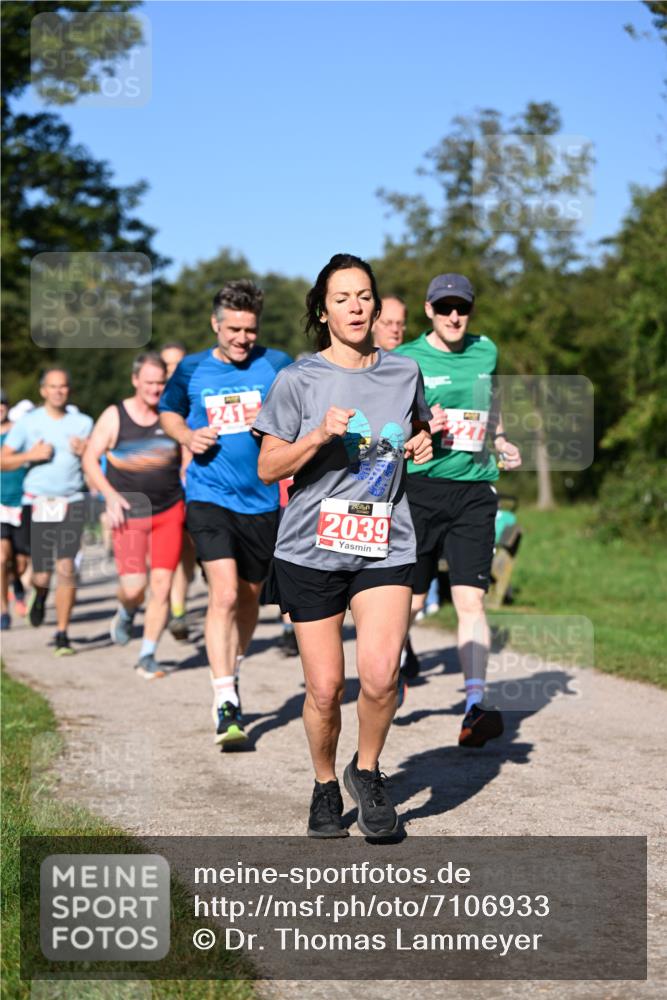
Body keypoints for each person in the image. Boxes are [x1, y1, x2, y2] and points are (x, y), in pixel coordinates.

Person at [254, 253, 432, 840]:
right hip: (310, 547)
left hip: (385, 540)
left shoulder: (405, 373)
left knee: (380, 677)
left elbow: (419, 429)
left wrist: (426, 444)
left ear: (376, 305)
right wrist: (318, 434)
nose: (355, 308)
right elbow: (267, 467)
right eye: (342, 299)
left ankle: (368, 772)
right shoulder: (297, 380)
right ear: (323, 310)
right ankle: (326, 784)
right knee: (326, 688)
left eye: (364, 297)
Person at [158, 279, 292, 744]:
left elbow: (304, 407)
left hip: (262, 502)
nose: (241, 338)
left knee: (251, 596)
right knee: (225, 595)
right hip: (208, 496)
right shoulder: (192, 369)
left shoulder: (276, 364)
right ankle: (225, 699)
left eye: (249, 330)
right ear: (215, 324)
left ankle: (230, 671)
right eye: (233, 329)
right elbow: (168, 411)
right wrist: (186, 437)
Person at [395, 273, 521, 747]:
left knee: (471, 601)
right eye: (444, 307)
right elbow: (389, 427)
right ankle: (392, 669)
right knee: (407, 602)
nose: (454, 316)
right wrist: (422, 423)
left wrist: (503, 440)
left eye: (461, 308)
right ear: (428, 310)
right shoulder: (406, 358)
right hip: (421, 490)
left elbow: (491, 404)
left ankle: (474, 706)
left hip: (473, 490)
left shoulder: (486, 350)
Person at [82, 353, 185, 679]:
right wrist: (109, 496)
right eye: (150, 383)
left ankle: (148, 653)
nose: (156, 389)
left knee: (162, 584)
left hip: (169, 511)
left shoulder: (171, 415)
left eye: (161, 383)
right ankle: (126, 611)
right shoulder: (115, 416)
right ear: (136, 381)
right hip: (129, 512)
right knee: (134, 587)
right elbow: (89, 458)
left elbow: (187, 454)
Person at [0, 368, 93, 655]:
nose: (58, 391)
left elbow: (98, 458)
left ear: (69, 390)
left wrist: (87, 450)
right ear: (43, 391)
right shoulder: (28, 423)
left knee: (67, 568)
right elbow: (3, 460)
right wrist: (32, 455)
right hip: (39, 501)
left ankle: (62, 634)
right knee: (40, 572)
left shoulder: (84, 422)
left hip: (73, 499)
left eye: (63, 386)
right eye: (52, 386)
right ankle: (39, 596)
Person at [159, 341, 195, 641]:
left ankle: (181, 609)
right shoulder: (152, 401)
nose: (173, 371)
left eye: (178, 365)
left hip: (196, 483)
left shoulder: (196, 394)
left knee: (192, 551)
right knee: (177, 551)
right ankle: (177, 610)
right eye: (167, 365)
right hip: (163, 491)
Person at [0, 390, 30, 628]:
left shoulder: (20, 431)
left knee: (20, 563)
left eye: (2, 404)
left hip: (20, 502)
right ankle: (3, 610)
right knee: (1, 558)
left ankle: (17, 585)